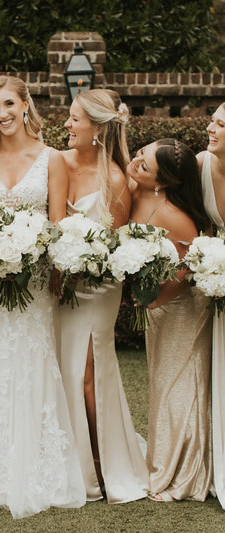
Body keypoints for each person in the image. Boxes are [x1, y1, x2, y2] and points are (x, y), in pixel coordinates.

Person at [0, 75, 86, 519]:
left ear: (26, 105)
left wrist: (48, 267)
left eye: (9, 104)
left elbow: (57, 223)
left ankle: (36, 470)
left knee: (30, 363)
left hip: (35, 282)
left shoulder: (53, 159)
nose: (2, 114)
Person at [59, 89, 149, 503]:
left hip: (97, 288)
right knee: (67, 370)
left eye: (75, 119)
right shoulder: (59, 164)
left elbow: (112, 249)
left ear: (97, 129)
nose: (68, 125)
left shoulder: (114, 179)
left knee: (89, 374)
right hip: (62, 285)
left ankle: (103, 464)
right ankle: (74, 459)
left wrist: (81, 262)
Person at [129, 138, 211, 502]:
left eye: (143, 166)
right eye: (139, 153)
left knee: (178, 385)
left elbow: (190, 269)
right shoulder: (136, 190)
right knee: (161, 383)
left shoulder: (175, 217)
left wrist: (154, 300)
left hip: (180, 309)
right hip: (157, 308)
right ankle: (163, 458)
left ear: (161, 183)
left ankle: (181, 471)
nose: (135, 163)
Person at [197, 103, 225, 509]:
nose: (211, 127)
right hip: (216, 280)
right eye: (213, 119)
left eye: (221, 124)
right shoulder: (200, 163)